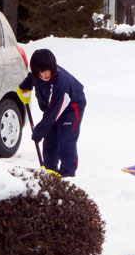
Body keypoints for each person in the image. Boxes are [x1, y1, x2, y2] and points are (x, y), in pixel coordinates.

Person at [18, 49, 86, 177]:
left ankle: (68, 175)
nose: (45, 74)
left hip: (72, 107)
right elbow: (31, 78)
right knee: (50, 141)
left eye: (48, 70)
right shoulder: (36, 75)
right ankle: (50, 173)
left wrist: (39, 131)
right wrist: (24, 87)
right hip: (53, 108)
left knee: (66, 141)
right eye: (41, 71)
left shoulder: (61, 83)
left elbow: (53, 113)